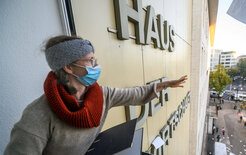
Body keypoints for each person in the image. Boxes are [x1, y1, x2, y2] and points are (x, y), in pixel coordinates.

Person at [4, 35, 188, 154]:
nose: (96, 66)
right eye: (90, 61)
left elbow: (133, 94)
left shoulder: (100, 95)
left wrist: (160, 86)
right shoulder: (38, 115)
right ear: (68, 67)